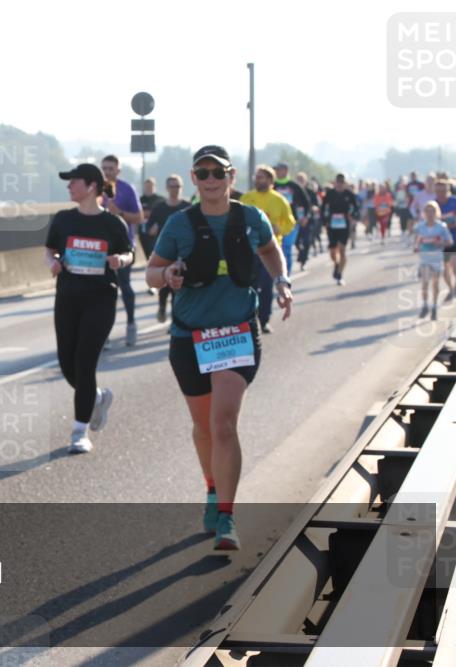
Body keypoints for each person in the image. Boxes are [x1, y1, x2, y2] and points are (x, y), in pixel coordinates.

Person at [146, 145, 292, 551]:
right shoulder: (180, 224)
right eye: (203, 173)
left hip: (236, 333)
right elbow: (151, 274)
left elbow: (269, 249)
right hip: (189, 337)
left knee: (224, 423)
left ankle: (226, 515)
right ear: (193, 179)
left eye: (218, 173)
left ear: (231, 177)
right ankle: (212, 489)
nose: (211, 180)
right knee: (204, 426)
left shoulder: (251, 217)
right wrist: (169, 273)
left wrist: (281, 281)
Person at [44, 164, 134, 453]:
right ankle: (95, 397)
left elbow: (130, 252)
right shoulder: (63, 219)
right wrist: (53, 263)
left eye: (74, 182)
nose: (69, 186)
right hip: (68, 297)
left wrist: (120, 259)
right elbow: (49, 250)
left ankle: (80, 432)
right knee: (66, 362)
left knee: (85, 362)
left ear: (92, 186)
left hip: (100, 299)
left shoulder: (112, 224)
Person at [240, 165, 295, 333]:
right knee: (249, 287)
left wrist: (280, 229)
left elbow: (290, 222)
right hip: (249, 251)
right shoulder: (246, 198)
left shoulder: (279, 200)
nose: (258, 180)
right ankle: (249, 320)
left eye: (262, 177)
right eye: (256, 177)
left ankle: (263, 320)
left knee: (266, 286)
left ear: (271, 181)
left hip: (270, 251)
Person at [100, 155, 143, 346]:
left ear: (118, 170)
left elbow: (139, 218)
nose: (107, 172)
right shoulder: (96, 189)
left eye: (111, 168)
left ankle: (131, 324)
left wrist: (120, 213)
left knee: (124, 286)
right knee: (103, 290)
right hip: (101, 248)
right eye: (104, 168)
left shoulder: (126, 189)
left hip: (124, 246)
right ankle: (104, 332)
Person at [146, 174, 191, 322]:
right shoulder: (159, 208)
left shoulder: (187, 207)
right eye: (172, 186)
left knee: (177, 286)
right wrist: (152, 229)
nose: (175, 189)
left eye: (177, 186)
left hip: (182, 253)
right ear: (166, 188)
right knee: (164, 284)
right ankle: (161, 307)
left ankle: (175, 320)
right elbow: (148, 228)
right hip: (164, 252)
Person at [413, 201, 453, 321]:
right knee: (425, 283)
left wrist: (439, 242)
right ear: (424, 213)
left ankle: (434, 306)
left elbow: (449, 242)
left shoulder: (441, 227)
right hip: (425, 259)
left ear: (437, 212)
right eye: (427, 211)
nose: (430, 214)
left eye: (432, 211)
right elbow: (415, 242)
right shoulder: (419, 227)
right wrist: (417, 246)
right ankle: (425, 305)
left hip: (437, 258)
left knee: (435, 284)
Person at [321, 174, 358, 285]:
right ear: (335, 182)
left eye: (342, 182)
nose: (340, 184)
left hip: (344, 225)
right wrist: (325, 222)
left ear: (344, 183)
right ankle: (336, 264)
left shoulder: (349, 194)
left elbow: (355, 208)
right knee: (333, 252)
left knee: (342, 249)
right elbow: (323, 208)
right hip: (332, 225)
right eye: (338, 181)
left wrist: (352, 216)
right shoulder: (330, 193)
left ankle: (340, 275)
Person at [273, 163, 308, 274]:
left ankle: (286, 275)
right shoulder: (272, 185)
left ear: (286, 170)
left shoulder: (294, 186)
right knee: (276, 249)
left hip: (291, 222)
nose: (277, 172)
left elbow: (306, 202)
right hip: (275, 223)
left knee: (286, 248)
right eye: (276, 170)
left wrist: (304, 217)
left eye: (279, 170)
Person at [433, 175, 456, 302]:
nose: (440, 194)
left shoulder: (454, 201)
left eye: (443, 191)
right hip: (441, 241)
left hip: (455, 238)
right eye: (438, 191)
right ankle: (451, 289)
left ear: (448, 190)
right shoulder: (433, 205)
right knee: (445, 269)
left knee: (454, 265)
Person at [138, 177, 164, 276]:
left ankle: (155, 278)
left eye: (151, 186)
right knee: (148, 255)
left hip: (157, 232)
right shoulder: (140, 200)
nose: (149, 188)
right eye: (147, 186)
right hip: (143, 232)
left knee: (154, 255)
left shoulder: (160, 200)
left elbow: (161, 215)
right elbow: (138, 214)